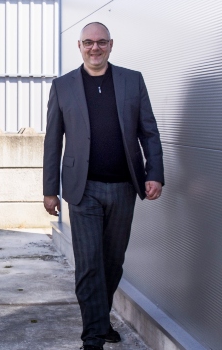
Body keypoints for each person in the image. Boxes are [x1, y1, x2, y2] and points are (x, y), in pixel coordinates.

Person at [42, 22, 164, 350]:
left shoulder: (132, 80)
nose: (94, 48)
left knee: (112, 261)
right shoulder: (63, 85)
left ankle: (100, 317)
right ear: (79, 46)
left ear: (111, 45)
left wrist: (155, 173)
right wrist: (49, 189)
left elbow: (148, 131)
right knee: (89, 263)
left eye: (101, 43)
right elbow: (53, 140)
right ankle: (93, 336)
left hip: (124, 186)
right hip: (83, 190)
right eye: (88, 43)